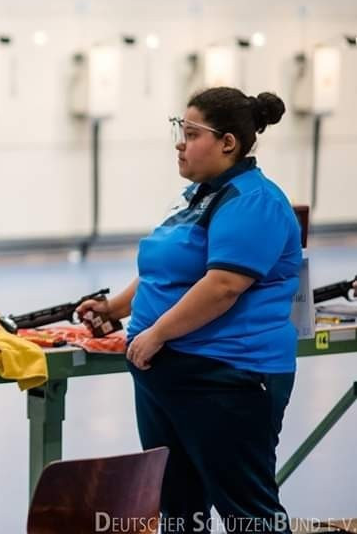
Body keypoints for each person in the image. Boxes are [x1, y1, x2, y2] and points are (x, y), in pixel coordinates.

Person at [79, 87, 300, 534]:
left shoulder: (252, 201)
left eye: (191, 132)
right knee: (178, 507)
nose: (180, 142)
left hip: (226, 376)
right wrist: (115, 308)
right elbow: (168, 267)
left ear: (228, 143)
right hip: (169, 376)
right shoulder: (198, 195)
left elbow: (222, 287)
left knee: (247, 513)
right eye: (180, 130)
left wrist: (156, 334)